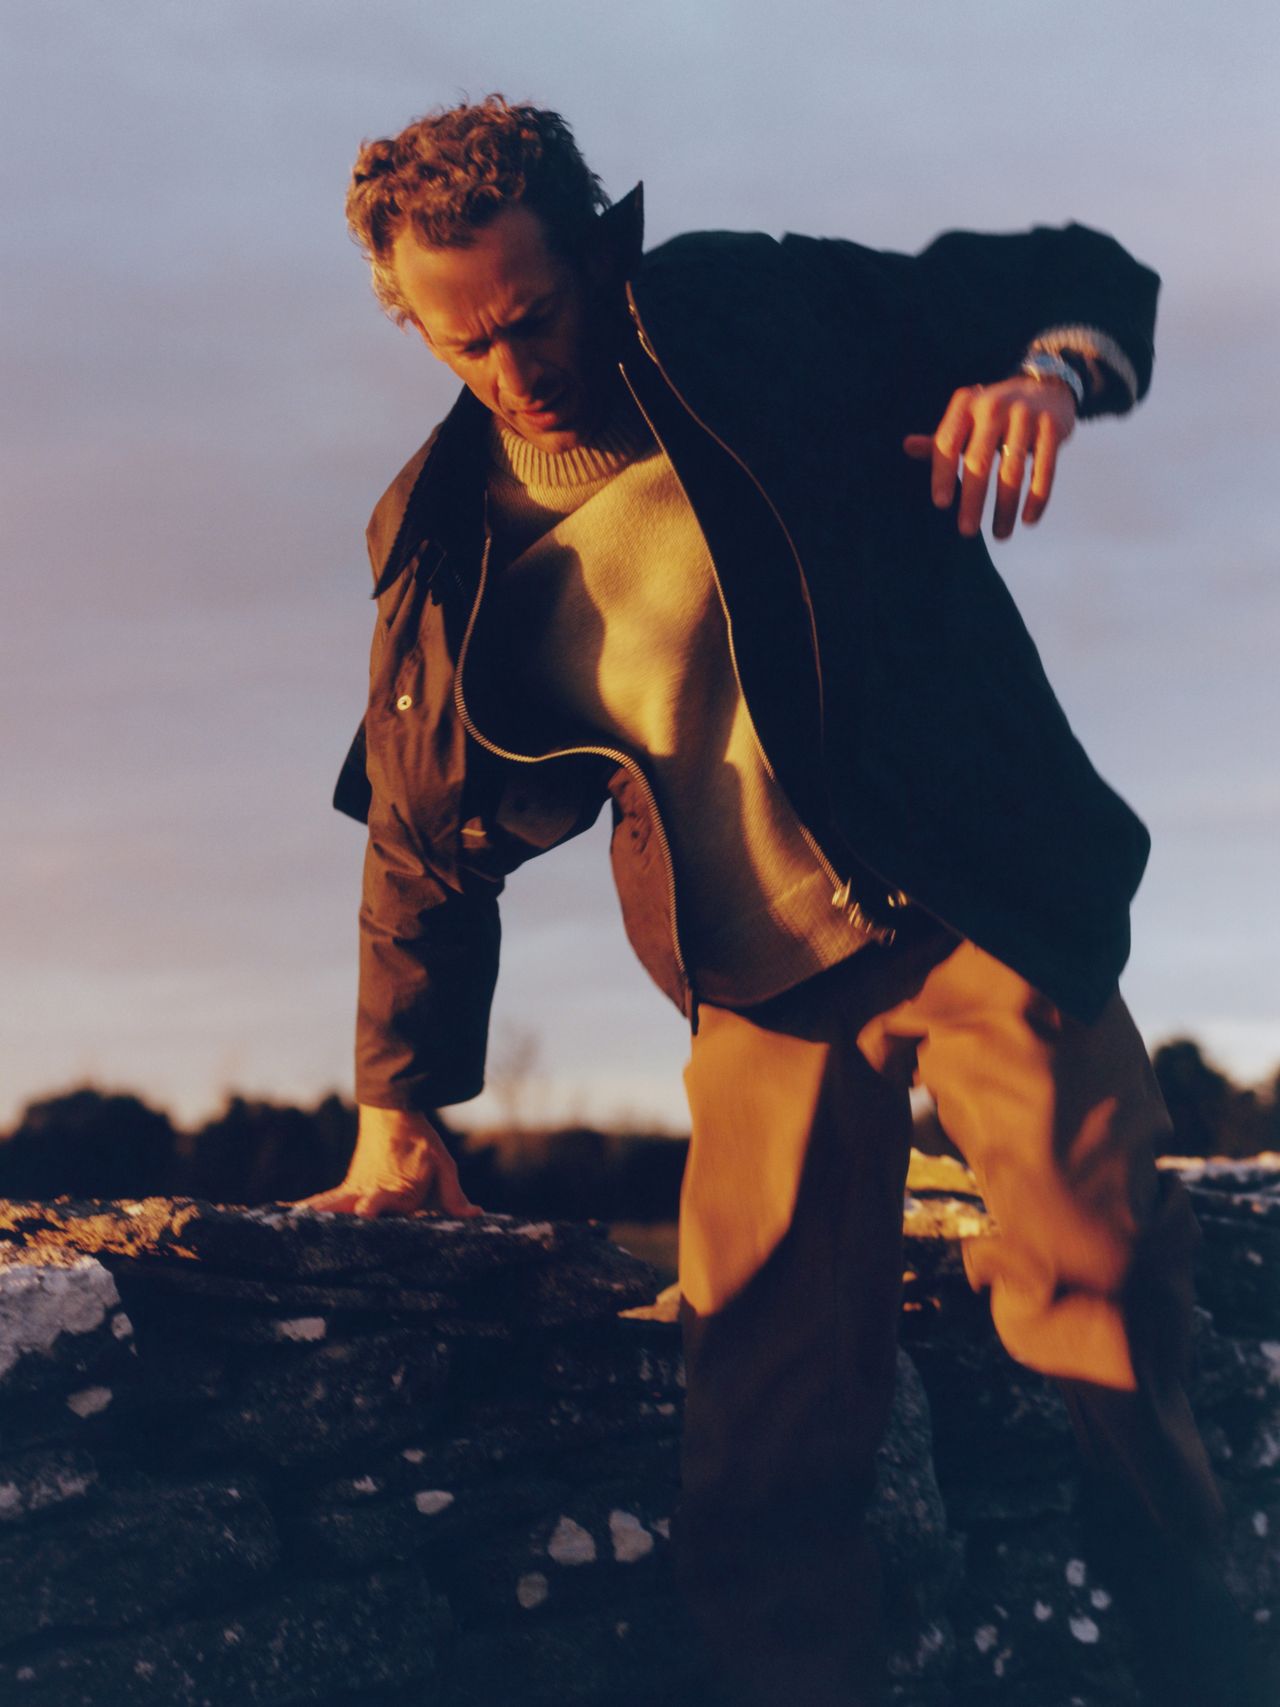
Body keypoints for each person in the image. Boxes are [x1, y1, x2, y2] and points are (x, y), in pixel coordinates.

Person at [287, 96, 1265, 1706]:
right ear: (413, 317)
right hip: (759, 989)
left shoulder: (752, 309)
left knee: (1098, 1276)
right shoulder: (443, 540)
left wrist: (1044, 379)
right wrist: (400, 1108)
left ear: (600, 254)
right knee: (759, 1419)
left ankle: (1192, 1642)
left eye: (533, 317)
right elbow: (417, 836)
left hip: (970, 900)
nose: (516, 374)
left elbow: (1078, 278)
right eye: (463, 345)